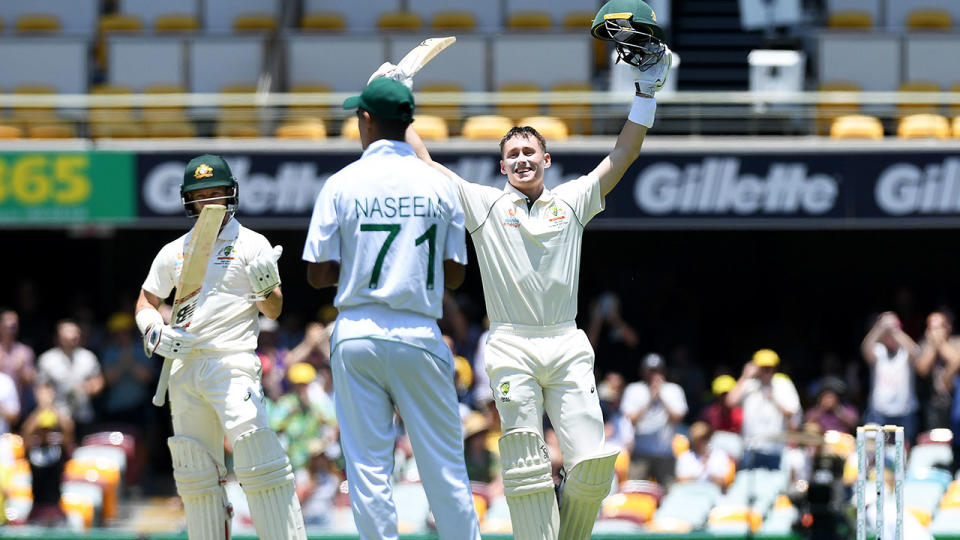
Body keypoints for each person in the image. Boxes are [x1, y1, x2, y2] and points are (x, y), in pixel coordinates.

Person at [393, 1, 671, 536]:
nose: (522, 159)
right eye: (513, 153)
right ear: (502, 166)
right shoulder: (482, 204)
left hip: (566, 343)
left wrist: (646, 94)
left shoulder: (573, 200)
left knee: (591, 466)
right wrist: (397, 102)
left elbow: (623, 154)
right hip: (511, 343)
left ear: (546, 160)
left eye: (530, 152)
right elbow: (423, 164)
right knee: (525, 465)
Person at [302, 77, 481, 540]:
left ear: (365, 119)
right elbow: (456, 274)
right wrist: (408, 264)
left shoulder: (341, 183)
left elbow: (317, 274)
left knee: (368, 469)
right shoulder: (438, 186)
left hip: (357, 331)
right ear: (410, 122)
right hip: (418, 332)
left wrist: (363, 268)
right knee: (443, 466)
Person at [134, 154, 305, 540]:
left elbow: (274, 309)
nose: (209, 202)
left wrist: (265, 288)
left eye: (216, 194)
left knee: (257, 456)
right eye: (201, 195)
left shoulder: (251, 243)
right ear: (188, 201)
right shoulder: (175, 250)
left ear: (231, 195)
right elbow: (146, 300)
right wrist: (154, 331)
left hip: (232, 363)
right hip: (183, 367)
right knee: (196, 474)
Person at [726, 349, 801, 470]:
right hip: (750, 447)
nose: (766, 371)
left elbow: (791, 411)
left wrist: (774, 399)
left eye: (769, 368)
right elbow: (730, 402)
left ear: (775, 368)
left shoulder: (783, 383)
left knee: (773, 487)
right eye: (763, 367)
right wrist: (745, 376)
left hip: (775, 449)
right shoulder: (749, 384)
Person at [621, 353, 687, 485]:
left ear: (664, 371)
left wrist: (661, 395)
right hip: (640, 453)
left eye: (658, 370)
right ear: (642, 371)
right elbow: (631, 419)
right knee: (636, 493)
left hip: (665, 453)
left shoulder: (674, 390)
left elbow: (677, 418)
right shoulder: (634, 389)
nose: (654, 374)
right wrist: (650, 397)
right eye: (650, 370)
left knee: (669, 494)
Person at [36, 319, 103, 437]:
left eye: (75, 333)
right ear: (58, 337)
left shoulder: (88, 357)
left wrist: (90, 387)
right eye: (68, 334)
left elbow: (98, 381)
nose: (72, 337)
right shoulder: (47, 359)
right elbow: (42, 388)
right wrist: (47, 405)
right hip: (58, 418)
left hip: (84, 415)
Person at [861, 311, 920, 442]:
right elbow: (865, 349)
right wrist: (879, 327)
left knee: (904, 453)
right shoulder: (878, 350)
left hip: (905, 412)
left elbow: (915, 353)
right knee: (876, 452)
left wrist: (895, 329)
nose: (890, 337)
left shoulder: (905, 351)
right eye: (886, 335)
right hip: (879, 411)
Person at [916, 310, 960, 434]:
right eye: (931, 328)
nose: (934, 332)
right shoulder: (924, 344)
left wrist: (940, 343)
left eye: (938, 327)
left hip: (955, 402)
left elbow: (956, 360)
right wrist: (933, 346)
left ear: (948, 327)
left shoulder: (956, 342)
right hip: (932, 404)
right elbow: (922, 369)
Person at [0, 309, 35, 414]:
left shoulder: (24, 351)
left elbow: (30, 381)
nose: (11, 329)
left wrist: (21, 370)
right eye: (8, 325)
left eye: (14, 326)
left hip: (19, 408)